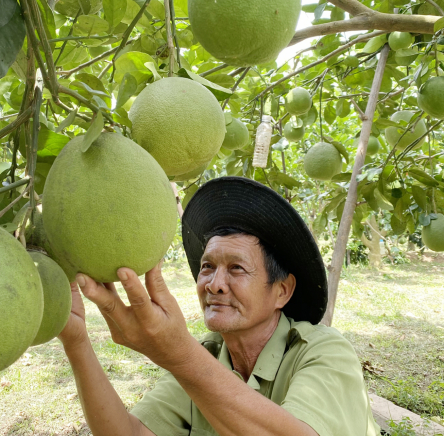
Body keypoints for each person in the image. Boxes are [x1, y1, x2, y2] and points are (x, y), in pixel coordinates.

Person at [58, 176, 380, 436]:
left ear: (281, 291)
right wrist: (77, 341)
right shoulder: (208, 356)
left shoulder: (325, 352)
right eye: (207, 267)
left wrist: (178, 353)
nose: (214, 284)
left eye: (237, 268)